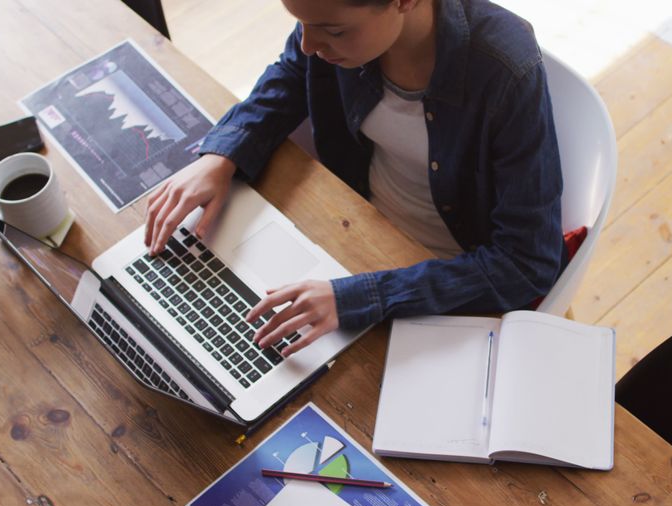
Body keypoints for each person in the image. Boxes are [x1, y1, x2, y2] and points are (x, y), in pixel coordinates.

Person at [144, 0, 565, 358]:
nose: (309, 45)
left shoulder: (506, 69)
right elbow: (292, 74)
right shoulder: (332, 34)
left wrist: (359, 298)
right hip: (356, 228)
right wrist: (221, 156)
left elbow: (525, 263)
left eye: (333, 30)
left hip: (450, 281)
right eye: (300, 23)